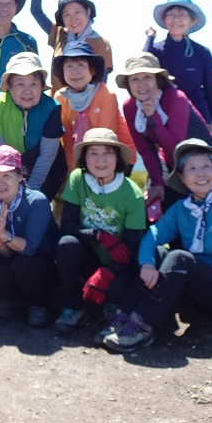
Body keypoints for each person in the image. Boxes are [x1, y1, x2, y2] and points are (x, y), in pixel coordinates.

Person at [98, 139, 212, 353]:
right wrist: (147, 264)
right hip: (202, 291)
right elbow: (153, 235)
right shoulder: (181, 209)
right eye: (192, 168)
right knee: (159, 253)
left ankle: (141, 326)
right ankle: (123, 317)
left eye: (206, 166)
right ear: (181, 177)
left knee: (179, 258)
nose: (200, 173)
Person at [54, 128, 145, 334]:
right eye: (93, 153)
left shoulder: (133, 194)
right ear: (84, 158)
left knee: (116, 292)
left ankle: (113, 308)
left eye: (107, 153)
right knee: (66, 245)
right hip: (88, 255)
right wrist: (97, 235)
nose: (100, 160)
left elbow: (132, 248)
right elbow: (67, 225)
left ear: (117, 157)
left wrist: (108, 272)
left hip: (119, 263)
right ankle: (73, 306)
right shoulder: (77, 179)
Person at [116, 53, 212, 211]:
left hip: (205, 162)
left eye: (147, 77)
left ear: (158, 79)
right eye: (134, 79)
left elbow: (176, 148)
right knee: (159, 206)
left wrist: (152, 116)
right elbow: (145, 149)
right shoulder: (130, 106)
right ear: (128, 84)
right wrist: (157, 183)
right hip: (173, 165)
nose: (141, 84)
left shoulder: (175, 98)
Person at [0, 146, 59, 328]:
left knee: (23, 264)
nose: (0, 182)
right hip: (14, 258)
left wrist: (4, 235)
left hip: (44, 262)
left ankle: (39, 305)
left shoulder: (36, 201)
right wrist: (1, 245)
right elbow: (6, 254)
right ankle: (12, 299)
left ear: (20, 176)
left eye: (7, 175)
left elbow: (30, 249)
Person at [0, 52, 64, 197]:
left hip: (45, 167)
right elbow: (0, 153)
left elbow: (47, 156)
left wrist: (29, 192)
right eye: (20, 84)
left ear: (41, 86)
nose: (27, 91)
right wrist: (11, 189)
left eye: (33, 84)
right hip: (8, 164)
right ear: (9, 87)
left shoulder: (52, 107)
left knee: (37, 202)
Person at [53, 41, 135, 173]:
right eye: (69, 66)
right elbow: (67, 140)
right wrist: (74, 173)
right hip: (84, 158)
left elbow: (106, 139)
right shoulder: (60, 97)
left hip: (117, 157)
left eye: (81, 65)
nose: (75, 72)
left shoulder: (107, 95)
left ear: (92, 70)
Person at [30, 0, 113, 92]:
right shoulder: (59, 35)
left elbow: (101, 84)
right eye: (67, 14)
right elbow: (36, 11)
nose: (73, 18)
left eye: (77, 12)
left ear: (88, 12)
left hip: (88, 103)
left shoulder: (101, 43)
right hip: (57, 102)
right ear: (62, 19)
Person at [142, 0, 212, 127]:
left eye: (182, 15)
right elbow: (142, 66)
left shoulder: (202, 52)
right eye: (171, 15)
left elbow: (211, 90)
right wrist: (150, 38)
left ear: (192, 21)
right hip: (165, 115)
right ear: (164, 20)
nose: (176, 19)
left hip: (198, 117)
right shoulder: (156, 50)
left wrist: (211, 121)